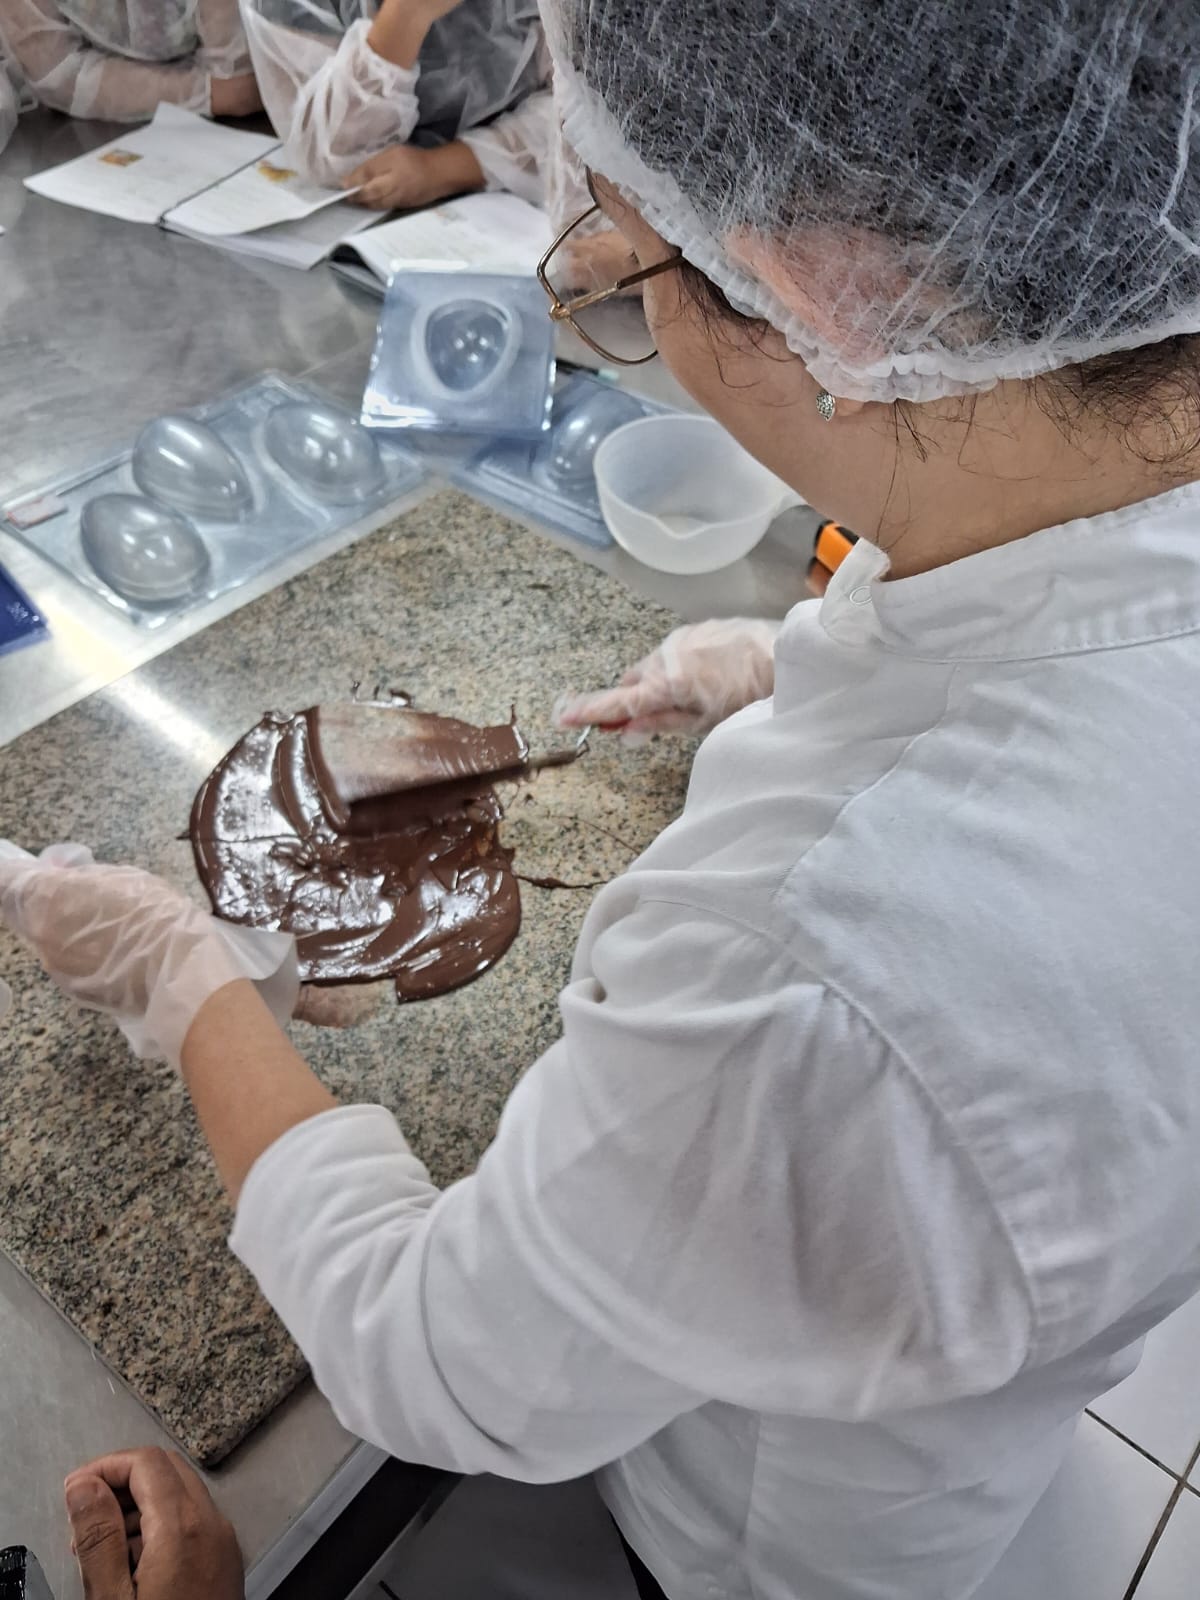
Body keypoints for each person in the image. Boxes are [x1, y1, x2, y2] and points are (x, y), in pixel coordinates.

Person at [6, 3, 1200, 1598]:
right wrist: (796, 664)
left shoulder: (821, 968)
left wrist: (187, 978)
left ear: (831, 297)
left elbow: (435, 1354)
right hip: (967, 1364)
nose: (615, 295)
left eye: (626, 264)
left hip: (767, 1533)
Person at [238, 0, 548, 207]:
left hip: (512, 211)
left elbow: (571, 117)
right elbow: (333, 160)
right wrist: (406, 14)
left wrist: (442, 168)